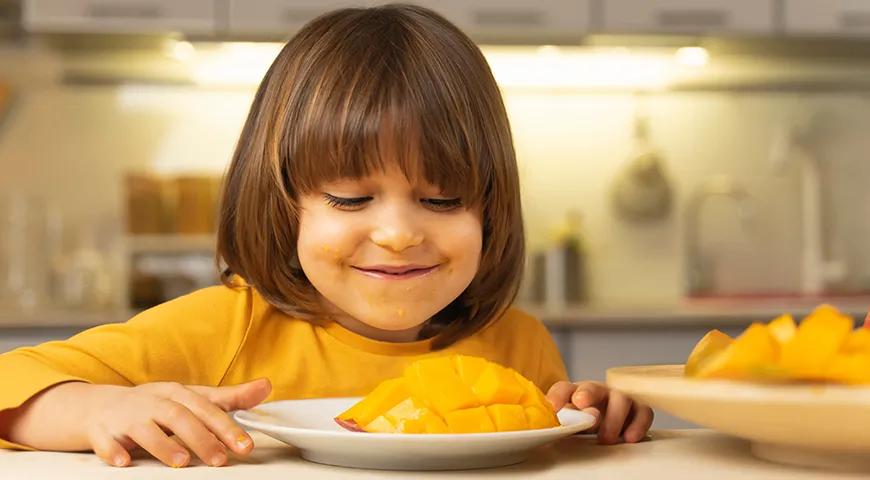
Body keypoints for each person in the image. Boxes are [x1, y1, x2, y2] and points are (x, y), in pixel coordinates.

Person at [0, 3, 653, 469]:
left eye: (442, 199)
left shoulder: (520, 344)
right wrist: (95, 410)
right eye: (349, 198)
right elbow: (11, 384)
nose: (398, 233)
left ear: (491, 210)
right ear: (284, 207)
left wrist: (590, 416)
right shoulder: (223, 329)